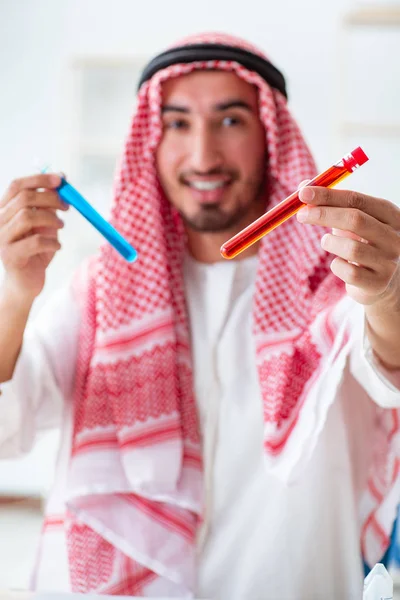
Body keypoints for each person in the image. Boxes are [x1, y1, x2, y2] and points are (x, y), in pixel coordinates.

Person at [0, 32, 400, 600]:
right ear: (150, 140)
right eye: (177, 123)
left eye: (231, 121)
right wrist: (16, 291)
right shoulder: (100, 293)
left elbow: (386, 364)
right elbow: (4, 429)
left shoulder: (334, 283)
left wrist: (386, 293)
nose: (204, 155)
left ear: (271, 135)